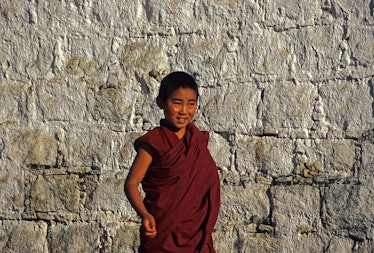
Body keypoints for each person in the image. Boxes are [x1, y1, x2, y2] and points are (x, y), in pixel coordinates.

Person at [125, 71, 221, 253]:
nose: (184, 111)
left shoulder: (196, 142)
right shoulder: (153, 142)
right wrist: (144, 214)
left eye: (191, 104)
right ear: (160, 102)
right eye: (177, 103)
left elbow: (207, 183)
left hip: (194, 234)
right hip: (162, 230)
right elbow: (131, 183)